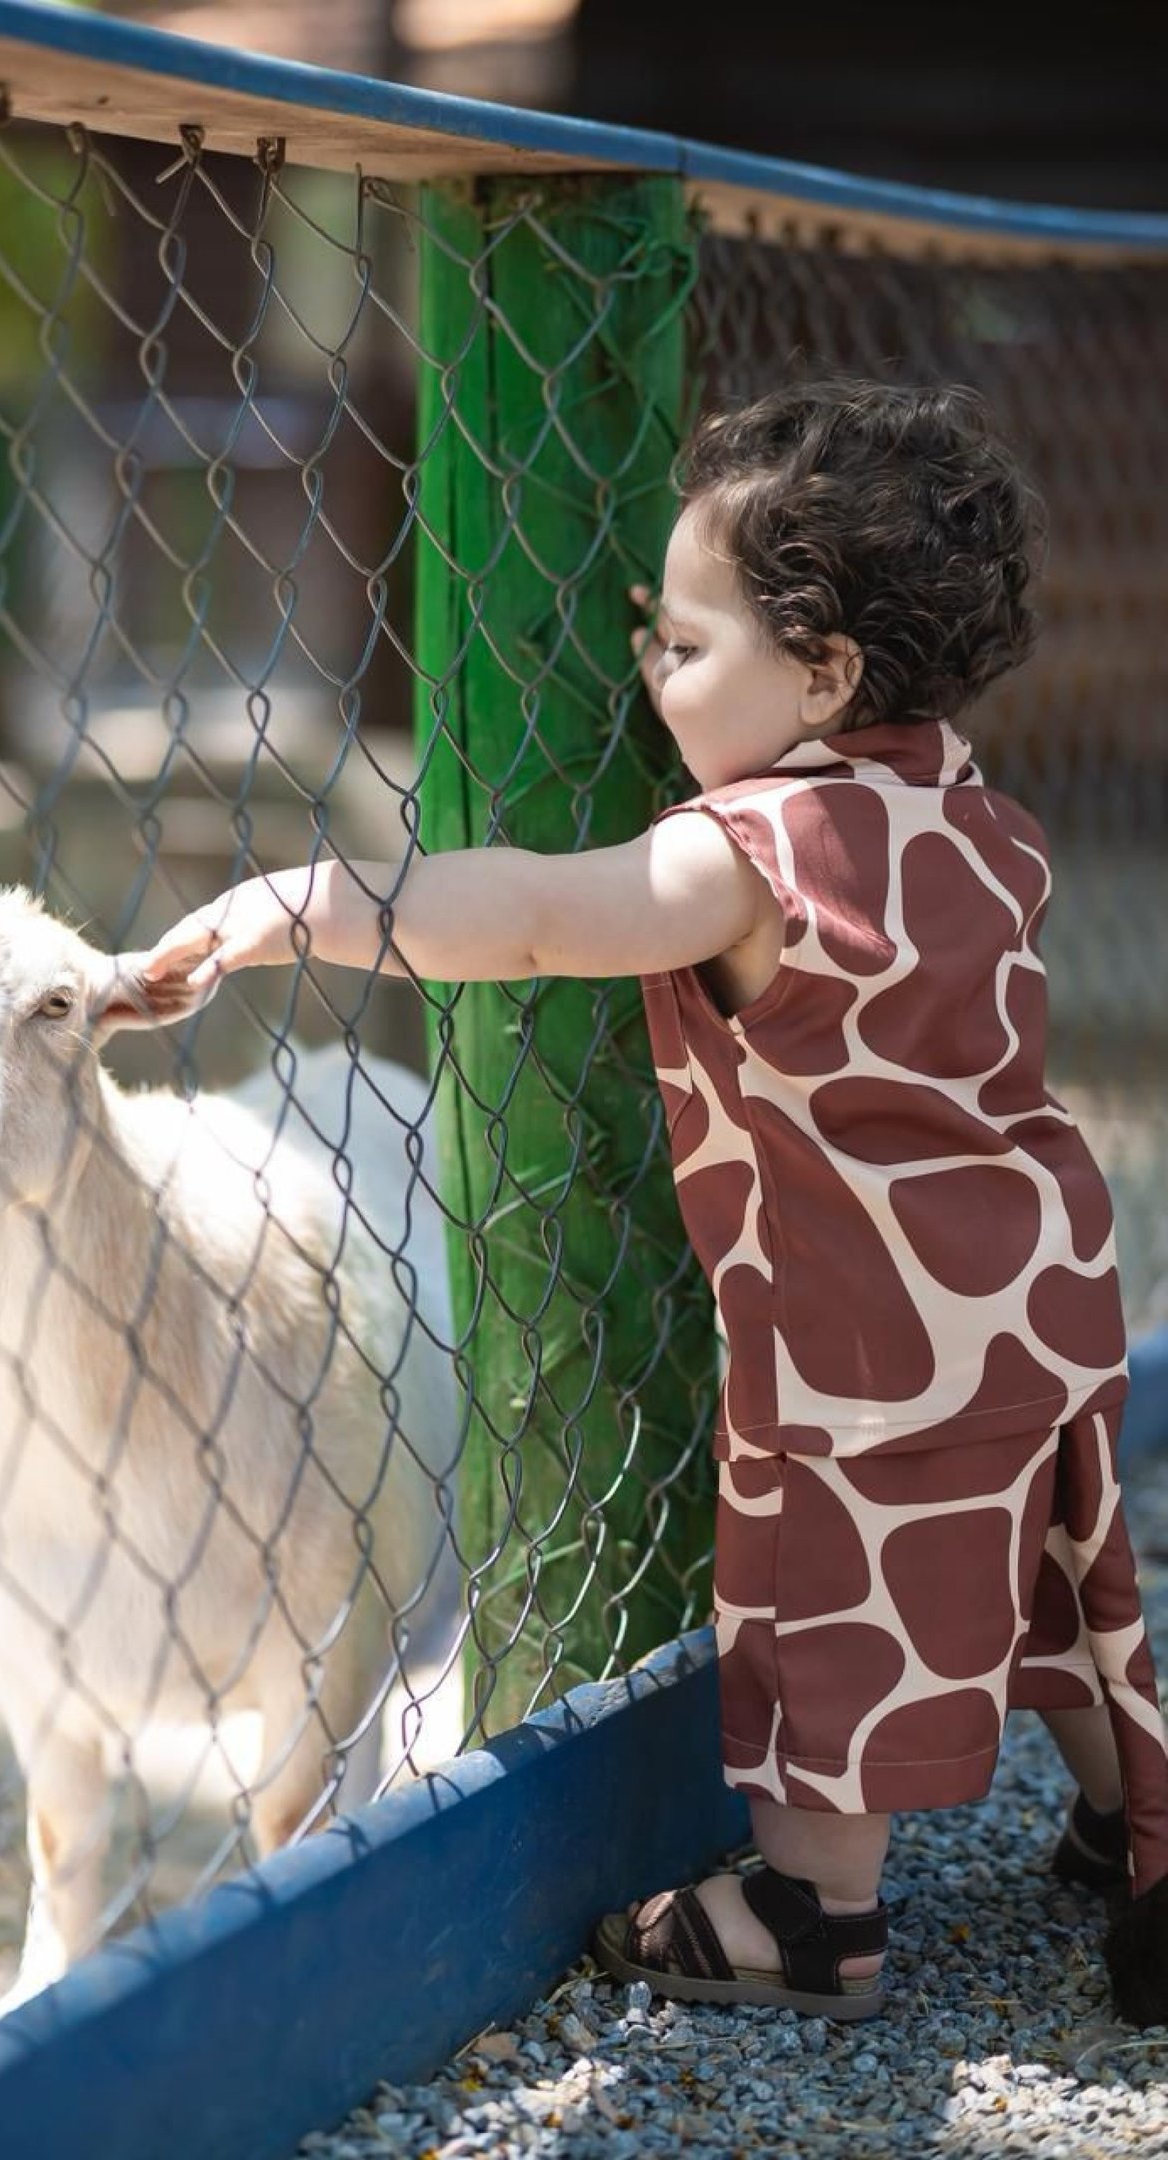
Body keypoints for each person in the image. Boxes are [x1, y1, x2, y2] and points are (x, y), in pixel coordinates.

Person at [141, 378, 1168, 2026]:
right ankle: (1130, 1816)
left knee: (828, 1589)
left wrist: (308, 905)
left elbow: (546, 917)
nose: (646, 671)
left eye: (682, 649)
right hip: (1038, 1275)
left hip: (868, 1332)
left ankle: (812, 1915)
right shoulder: (976, 812)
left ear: (823, 674)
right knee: (1055, 1552)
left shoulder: (746, 851)